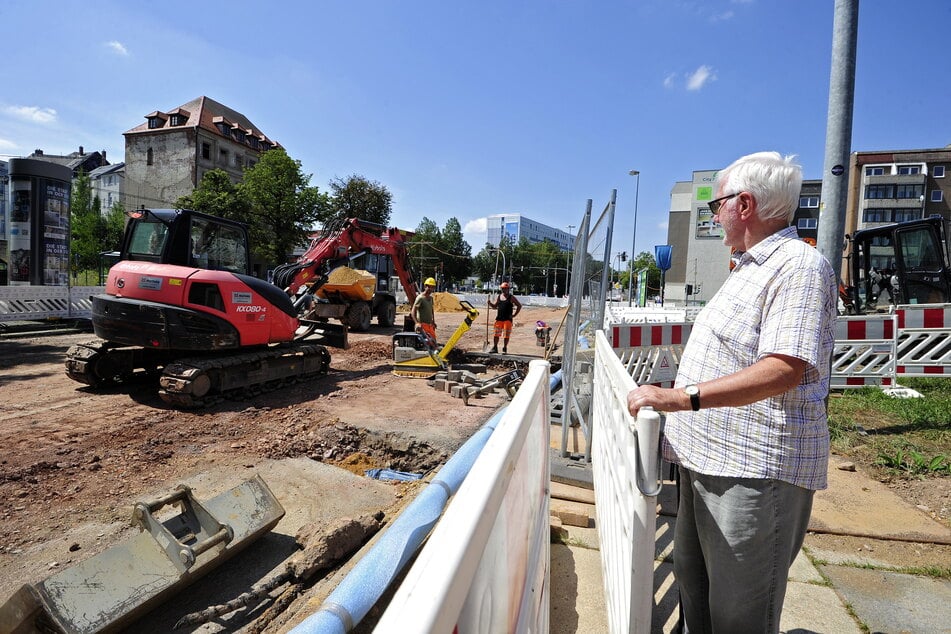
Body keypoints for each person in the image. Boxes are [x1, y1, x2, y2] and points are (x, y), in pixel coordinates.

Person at [626, 151, 837, 633]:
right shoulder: (750, 266)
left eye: (716, 205)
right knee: (697, 592)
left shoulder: (797, 266)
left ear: (744, 204)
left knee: (739, 614)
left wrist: (679, 398)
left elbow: (783, 368)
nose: (714, 215)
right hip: (710, 463)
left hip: (753, 474)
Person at [488, 282, 522, 354]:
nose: (504, 290)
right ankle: (495, 347)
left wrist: (514, 315)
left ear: (508, 289)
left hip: (507, 319)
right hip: (499, 319)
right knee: (496, 334)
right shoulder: (499, 297)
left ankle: (504, 348)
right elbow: (495, 307)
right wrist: (490, 303)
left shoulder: (511, 297)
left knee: (506, 335)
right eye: (503, 289)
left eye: (506, 289)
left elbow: (519, 306)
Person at [411, 277, 438, 347]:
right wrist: (417, 323)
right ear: (425, 286)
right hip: (422, 326)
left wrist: (433, 321)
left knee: (434, 344)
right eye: (429, 287)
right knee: (426, 345)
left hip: (430, 325)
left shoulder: (431, 298)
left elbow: (431, 310)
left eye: (432, 287)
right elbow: (413, 312)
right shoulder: (420, 298)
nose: (431, 289)